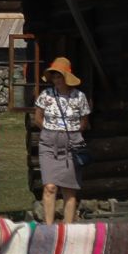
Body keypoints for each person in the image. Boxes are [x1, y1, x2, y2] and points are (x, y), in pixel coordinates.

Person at [33, 57, 90, 225]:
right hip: (49, 142)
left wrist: (71, 134)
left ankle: (67, 229)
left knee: (69, 190)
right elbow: (37, 118)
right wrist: (50, 131)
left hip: (71, 142)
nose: (56, 80)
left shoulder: (79, 97)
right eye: (54, 77)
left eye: (59, 76)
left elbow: (84, 121)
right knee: (49, 187)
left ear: (66, 78)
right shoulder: (46, 95)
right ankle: (48, 229)